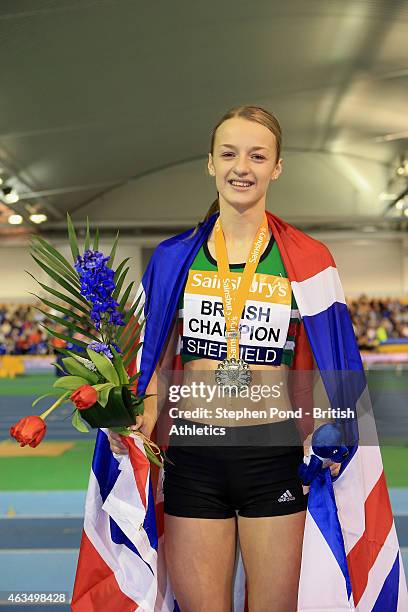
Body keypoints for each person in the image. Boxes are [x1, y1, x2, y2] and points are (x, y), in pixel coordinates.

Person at [108, 106, 342, 612]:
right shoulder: (174, 258)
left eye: (258, 155)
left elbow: (330, 361)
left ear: (276, 167)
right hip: (195, 456)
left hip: (273, 456)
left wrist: (329, 424)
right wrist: (135, 417)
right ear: (209, 163)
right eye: (229, 153)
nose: (243, 166)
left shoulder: (309, 259)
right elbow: (153, 357)